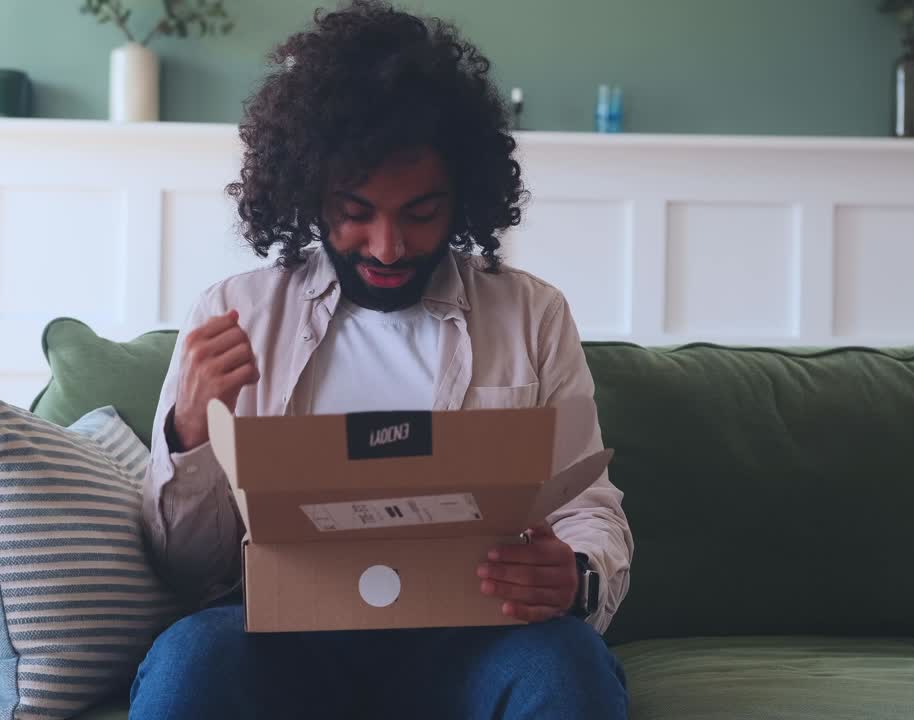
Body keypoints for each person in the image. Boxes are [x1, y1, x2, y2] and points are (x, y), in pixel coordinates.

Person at [133, 2, 633, 718]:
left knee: (567, 666)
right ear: (308, 192)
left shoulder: (531, 315)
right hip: (287, 638)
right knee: (192, 655)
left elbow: (590, 508)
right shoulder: (234, 313)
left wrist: (575, 576)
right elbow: (185, 567)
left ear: (463, 197)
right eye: (355, 210)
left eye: (421, 212)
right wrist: (189, 429)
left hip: (472, 638)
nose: (388, 245)